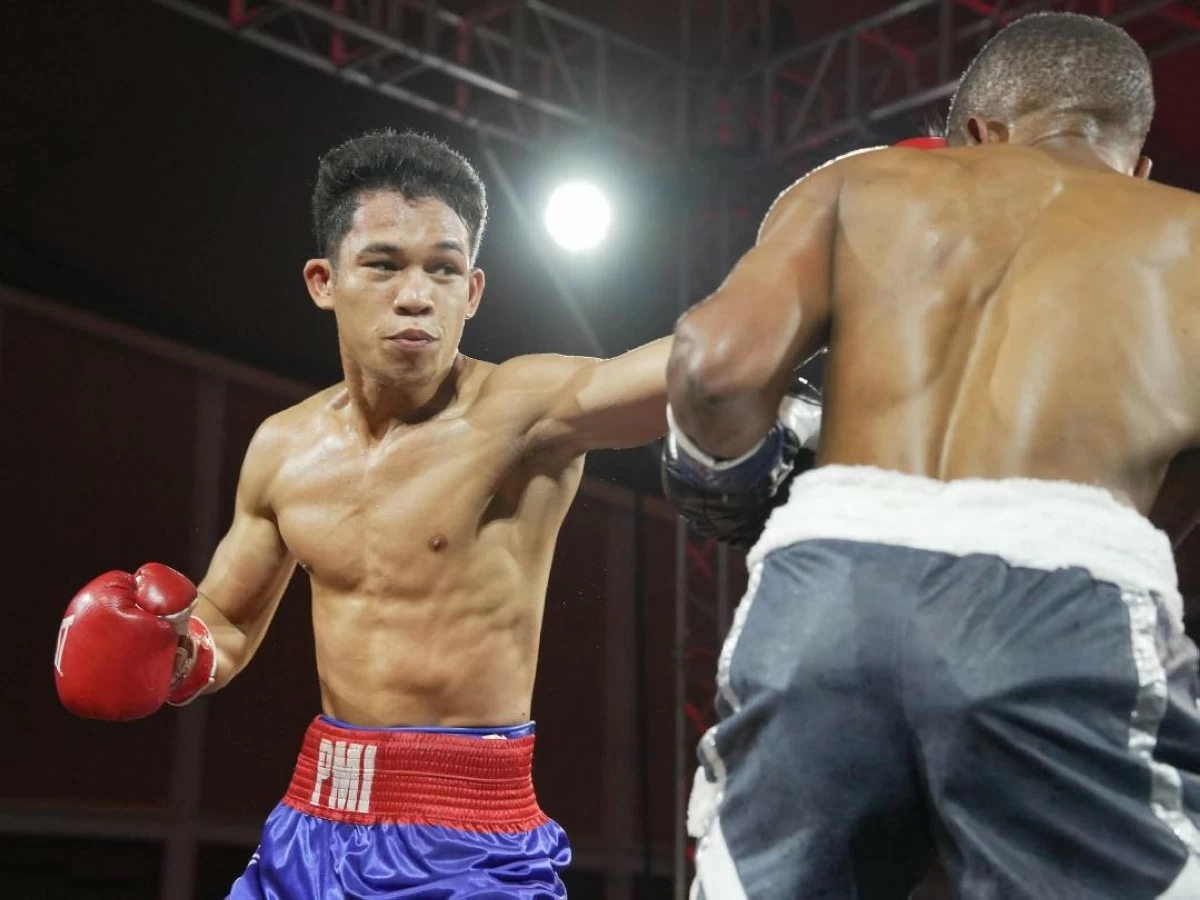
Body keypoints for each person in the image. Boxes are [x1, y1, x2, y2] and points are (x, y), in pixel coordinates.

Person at [53, 129, 673, 898]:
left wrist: (802, 305)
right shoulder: (283, 447)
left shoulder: (524, 413)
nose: (416, 294)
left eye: (443, 269)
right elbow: (229, 619)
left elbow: (684, 370)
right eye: (384, 265)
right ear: (324, 279)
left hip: (467, 843)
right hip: (311, 821)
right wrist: (180, 653)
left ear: (472, 291)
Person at [665, 12, 1200, 899]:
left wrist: (721, 478)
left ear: (976, 135)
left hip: (824, 587)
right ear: (1137, 163)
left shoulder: (860, 184)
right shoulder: (1184, 230)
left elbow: (713, 366)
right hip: (1063, 592)